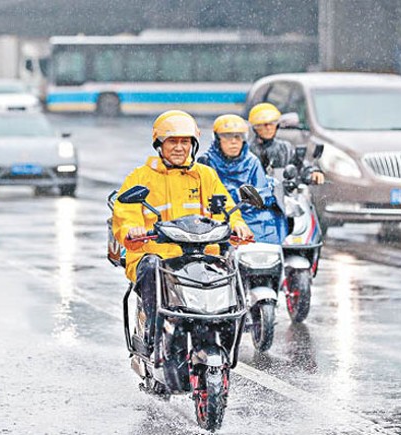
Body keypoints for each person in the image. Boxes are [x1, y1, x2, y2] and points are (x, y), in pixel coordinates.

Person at [112, 110, 251, 355]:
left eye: (185, 142)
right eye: (172, 142)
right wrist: (131, 229)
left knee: (232, 264)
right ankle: (153, 334)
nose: (179, 148)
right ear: (159, 144)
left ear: (193, 145)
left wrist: (236, 223)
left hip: (201, 254)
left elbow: (225, 208)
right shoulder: (141, 177)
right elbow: (126, 212)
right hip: (157, 254)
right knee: (150, 267)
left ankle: (229, 329)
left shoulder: (205, 175)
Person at [199, 114, 287, 244]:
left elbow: (262, 193)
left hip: (249, 215)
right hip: (218, 216)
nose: (233, 142)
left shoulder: (252, 162)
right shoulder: (205, 162)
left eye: (238, 137)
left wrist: (247, 198)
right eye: (227, 137)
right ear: (218, 140)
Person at [248, 102, 325, 185]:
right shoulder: (247, 151)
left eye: (272, 123)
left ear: (277, 126)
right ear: (255, 127)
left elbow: (300, 164)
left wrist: (312, 172)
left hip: (282, 193)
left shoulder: (285, 148)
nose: (268, 128)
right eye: (263, 125)